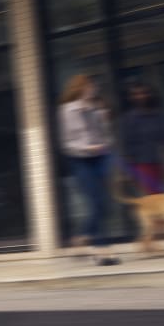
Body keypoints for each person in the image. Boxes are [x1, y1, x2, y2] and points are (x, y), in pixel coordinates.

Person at [59, 74, 119, 266]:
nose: (93, 90)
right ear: (79, 88)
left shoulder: (96, 109)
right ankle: (102, 250)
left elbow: (106, 135)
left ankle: (82, 235)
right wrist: (86, 148)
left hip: (100, 159)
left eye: (94, 87)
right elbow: (67, 143)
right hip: (80, 161)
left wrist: (102, 121)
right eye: (89, 86)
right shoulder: (68, 110)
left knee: (104, 204)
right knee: (94, 202)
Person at [119, 81, 164, 195]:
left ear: (150, 94)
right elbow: (127, 145)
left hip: (160, 162)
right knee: (150, 199)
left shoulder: (159, 115)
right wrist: (128, 170)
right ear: (130, 97)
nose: (140, 96)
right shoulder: (129, 119)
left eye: (143, 93)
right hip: (142, 164)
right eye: (136, 94)